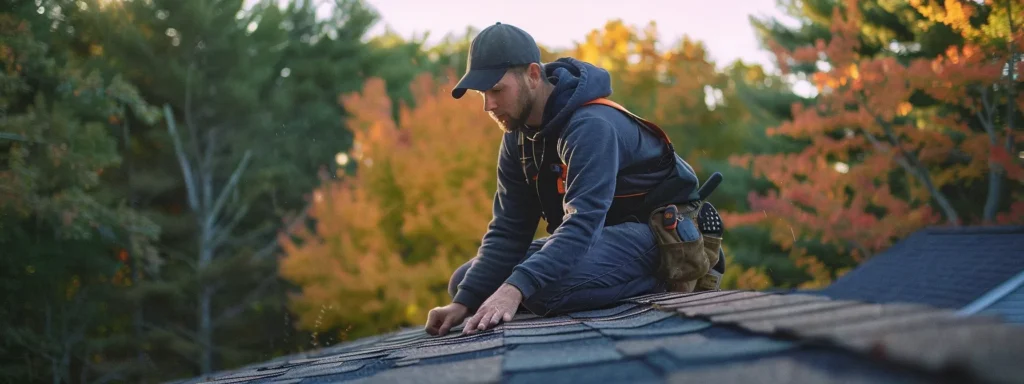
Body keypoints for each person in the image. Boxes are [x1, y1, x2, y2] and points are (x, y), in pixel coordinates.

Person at [424, 22, 725, 337]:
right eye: (482, 94)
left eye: (497, 90)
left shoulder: (590, 126)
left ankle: (685, 268)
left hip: (658, 233)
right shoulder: (518, 136)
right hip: (597, 237)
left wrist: (516, 288)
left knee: (537, 290)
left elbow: (582, 223)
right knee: (467, 282)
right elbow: (508, 230)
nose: (489, 105)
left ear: (533, 75)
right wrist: (463, 302)